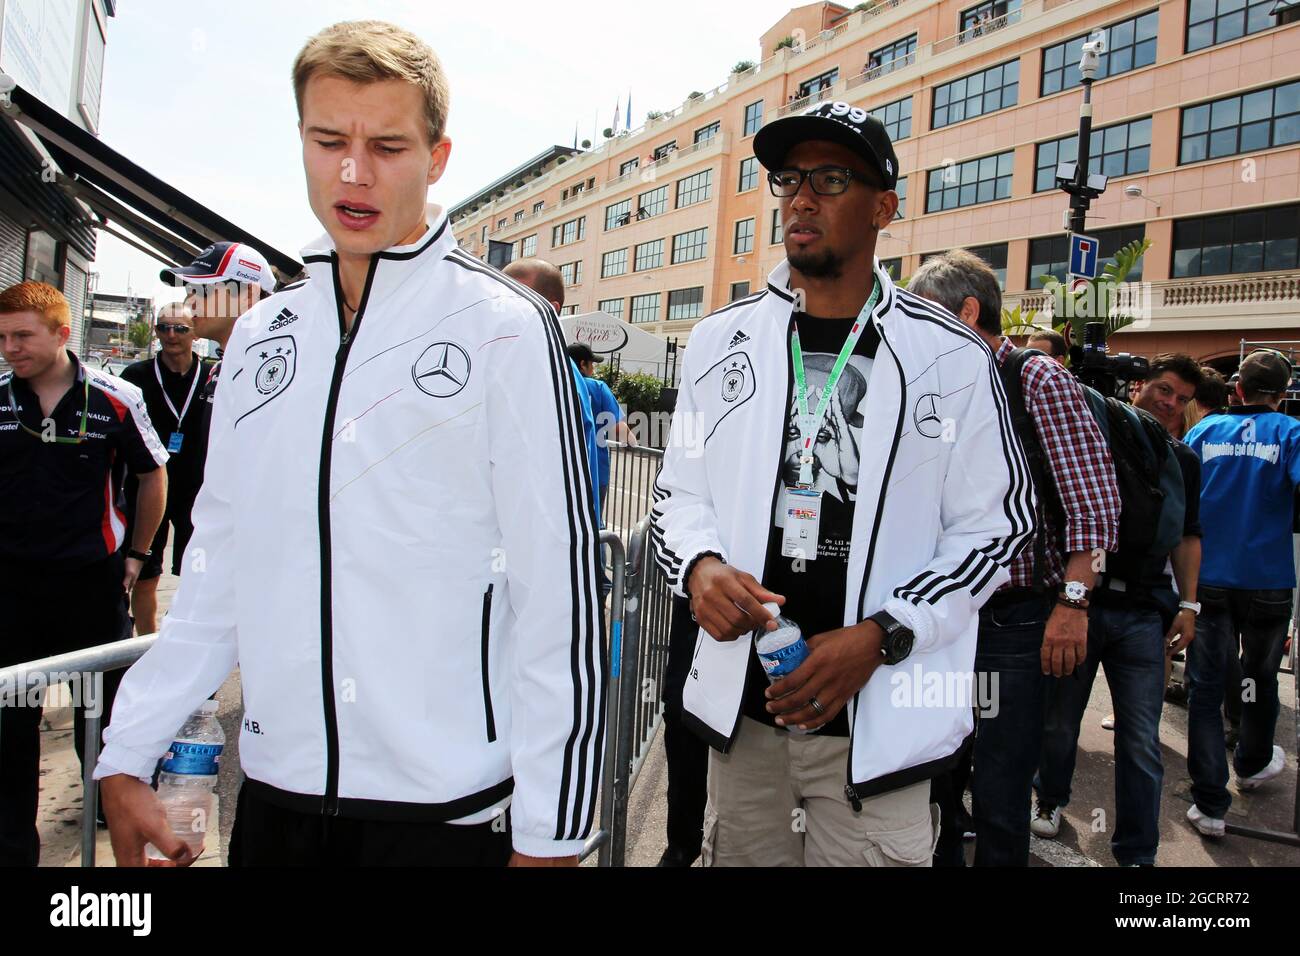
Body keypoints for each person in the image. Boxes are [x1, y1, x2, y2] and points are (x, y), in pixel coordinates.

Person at [95, 19, 603, 868]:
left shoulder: (506, 330)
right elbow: (220, 566)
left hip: (445, 816)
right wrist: (124, 754)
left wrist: (556, 835)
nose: (354, 172)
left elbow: (560, 591)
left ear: (438, 159)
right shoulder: (262, 340)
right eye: (329, 139)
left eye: (388, 146)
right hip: (277, 799)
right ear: (300, 139)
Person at [651, 99, 1034, 867]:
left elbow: (996, 528)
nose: (801, 197)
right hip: (746, 717)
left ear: (883, 206)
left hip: (879, 728)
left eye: (831, 178)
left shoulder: (950, 359)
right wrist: (700, 567)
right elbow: (675, 493)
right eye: (789, 178)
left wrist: (884, 635)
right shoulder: (719, 342)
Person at [909, 250, 1120, 867]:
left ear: (968, 312)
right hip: (945, 618)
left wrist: (1072, 606)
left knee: (1001, 787)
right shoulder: (943, 384)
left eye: (927, 316)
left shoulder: (1038, 380)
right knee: (935, 779)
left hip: (1014, 623)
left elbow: (1094, 507)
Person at [0, 281, 169, 866]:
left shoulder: (116, 398)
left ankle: (109, 809)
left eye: (22, 335)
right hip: (13, 592)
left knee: (97, 715)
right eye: (2, 337)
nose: (10, 348)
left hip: (91, 589)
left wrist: (137, 556)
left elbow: (153, 474)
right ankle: (15, 847)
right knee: (10, 724)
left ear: (61, 333)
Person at [1034, 355, 1203, 866]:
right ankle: (1050, 799)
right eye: (1164, 389)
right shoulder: (1096, 433)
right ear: (1141, 387)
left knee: (1140, 740)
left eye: (1180, 396)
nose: (1170, 402)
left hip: (1145, 612)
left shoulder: (1183, 460)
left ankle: (1137, 850)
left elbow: (1189, 535)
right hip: (1082, 605)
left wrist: (1190, 604)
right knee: (1060, 721)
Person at [1182, 350, 1300, 838]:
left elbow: (1180, 500)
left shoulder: (1203, 432)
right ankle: (1250, 764)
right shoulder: (1291, 434)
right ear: (1284, 393)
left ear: (1238, 389)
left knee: (1206, 690)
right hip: (1268, 581)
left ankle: (1210, 802)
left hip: (1207, 580)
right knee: (1260, 678)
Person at [118, 304, 218, 634]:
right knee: (145, 575)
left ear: (195, 332)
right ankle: (148, 644)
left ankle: (191, 641)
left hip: (199, 489)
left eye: (180, 329)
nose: (170, 336)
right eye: (163, 328)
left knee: (199, 576)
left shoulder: (213, 374)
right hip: (147, 487)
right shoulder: (136, 376)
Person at [502, 258, 602, 521]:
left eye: (514, 300)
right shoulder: (517, 361)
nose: (499, 311)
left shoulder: (554, 371)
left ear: (551, 309)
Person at [162, 241, 277, 424]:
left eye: (203, 290)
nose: (189, 302)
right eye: (189, 290)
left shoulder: (274, 374)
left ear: (248, 295)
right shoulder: (219, 370)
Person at [566, 341, 637, 512]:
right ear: (582, 365)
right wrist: (632, 441)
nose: (594, 369)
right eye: (592, 364)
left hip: (564, 467)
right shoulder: (597, 388)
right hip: (595, 468)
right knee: (593, 519)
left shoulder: (559, 386)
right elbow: (618, 429)